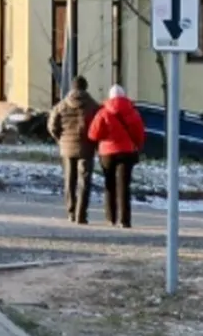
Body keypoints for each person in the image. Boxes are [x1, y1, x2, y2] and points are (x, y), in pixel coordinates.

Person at [88, 85, 146, 228]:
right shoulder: (133, 113)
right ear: (124, 96)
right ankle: (125, 220)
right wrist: (136, 146)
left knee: (109, 184)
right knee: (124, 186)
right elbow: (140, 134)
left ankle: (110, 217)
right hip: (127, 152)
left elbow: (93, 134)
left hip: (107, 153)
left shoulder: (103, 113)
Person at [47, 76, 99, 224]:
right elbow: (98, 125)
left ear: (72, 87)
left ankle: (71, 212)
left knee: (69, 181)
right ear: (85, 87)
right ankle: (81, 215)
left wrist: (60, 139)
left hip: (67, 148)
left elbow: (52, 126)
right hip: (86, 147)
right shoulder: (93, 105)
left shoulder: (61, 105)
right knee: (84, 181)